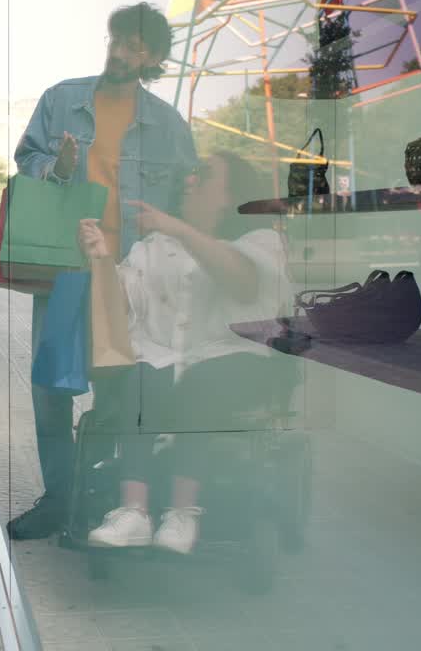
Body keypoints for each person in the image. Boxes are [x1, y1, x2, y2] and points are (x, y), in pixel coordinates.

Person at [9, 2, 199, 540]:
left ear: (153, 56)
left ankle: (120, 499)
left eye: (134, 46)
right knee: (52, 389)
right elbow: (26, 161)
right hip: (65, 267)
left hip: (129, 278)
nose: (119, 52)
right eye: (116, 39)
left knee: (121, 387)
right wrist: (58, 169)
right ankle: (59, 498)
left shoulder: (167, 123)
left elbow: (184, 200)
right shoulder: (62, 99)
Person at [76, 151, 290, 554]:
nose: (190, 181)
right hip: (162, 361)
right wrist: (101, 257)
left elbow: (242, 282)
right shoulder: (155, 245)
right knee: (139, 378)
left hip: (233, 361)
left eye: (204, 175)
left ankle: (182, 513)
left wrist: (181, 229)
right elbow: (122, 308)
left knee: (199, 382)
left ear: (230, 195)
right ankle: (133, 511)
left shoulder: (260, 241)